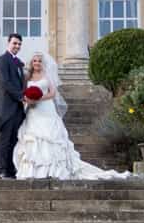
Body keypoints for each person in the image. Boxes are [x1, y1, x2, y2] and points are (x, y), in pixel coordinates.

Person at [13, 51, 133, 180]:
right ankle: (34, 170)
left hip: (46, 108)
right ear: (31, 63)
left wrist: (39, 98)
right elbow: (24, 92)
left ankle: (54, 169)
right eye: (35, 61)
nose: (37, 63)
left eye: (39, 61)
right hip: (33, 111)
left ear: (43, 63)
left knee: (52, 137)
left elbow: (53, 93)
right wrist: (29, 99)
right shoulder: (27, 77)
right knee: (34, 138)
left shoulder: (47, 76)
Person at [0, 32, 28, 179]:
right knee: (4, 140)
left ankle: (11, 169)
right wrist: (21, 97)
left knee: (14, 140)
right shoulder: (2, 60)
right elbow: (5, 83)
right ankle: (1, 169)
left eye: (19, 44)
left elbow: (22, 83)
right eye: (14, 43)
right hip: (6, 108)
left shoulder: (19, 63)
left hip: (18, 110)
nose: (17, 46)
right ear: (8, 43)